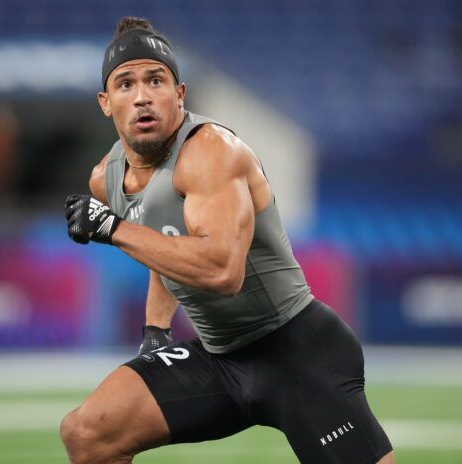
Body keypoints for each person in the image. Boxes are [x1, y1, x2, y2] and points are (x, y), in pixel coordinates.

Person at [61, 16, 394, 464]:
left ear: (179, 94)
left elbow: (222, 271)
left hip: (297, 351)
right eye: (125, 84)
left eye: (155, 80)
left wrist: (114, 230)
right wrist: (156, 329)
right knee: (88, 433)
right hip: (220, 358)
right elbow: (164, 247)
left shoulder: (211, 151)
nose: (141, 96)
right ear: (106, 102)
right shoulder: (108, 178)